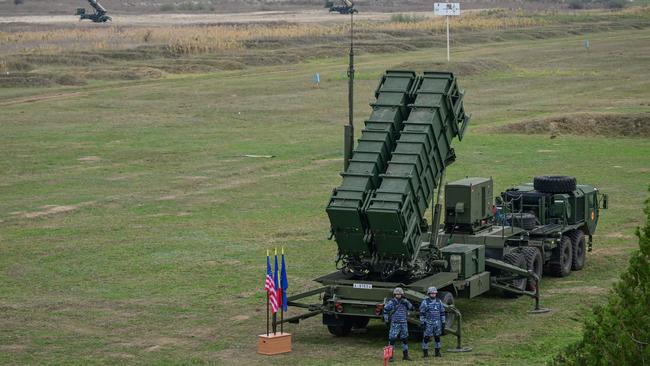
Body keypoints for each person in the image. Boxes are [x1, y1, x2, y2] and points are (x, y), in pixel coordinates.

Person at [383, 287, 414, 361]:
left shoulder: (405, 302)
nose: (398, 296)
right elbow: (385, 310)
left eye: (400, 294)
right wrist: (386, 319)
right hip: (395, 323)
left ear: (402, 295)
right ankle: (390, 357)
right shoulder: (392, 302)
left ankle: (405, 356)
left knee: (405, 339)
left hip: (403, 323)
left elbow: (411, 308)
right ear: (394, 295)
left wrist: (407, 302)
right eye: (397, 294)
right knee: (392, 339)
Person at [419, 286, 446, 357]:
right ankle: (425, 353)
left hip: (437, 323)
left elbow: (442, 312)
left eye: (434, 293)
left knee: (437, 337)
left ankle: (437, 352)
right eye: (432, 293)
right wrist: (422, 322)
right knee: (426, 338)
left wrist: (443, 322)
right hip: (428, 323)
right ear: (429, 294)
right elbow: (422, 313)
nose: (433, 295)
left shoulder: (439, 301)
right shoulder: (425, 302)